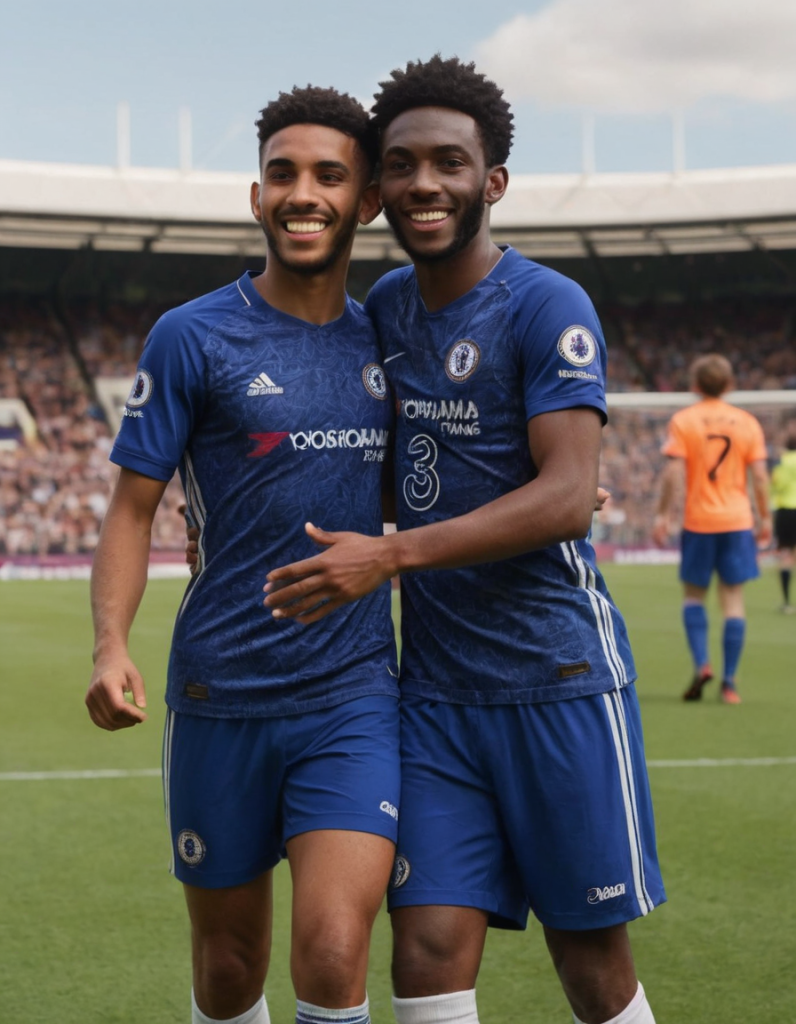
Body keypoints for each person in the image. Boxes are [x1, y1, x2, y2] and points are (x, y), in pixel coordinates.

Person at [263, 56, 664, 1024]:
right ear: (377, 188)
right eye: (399, 164)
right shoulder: (385, 313)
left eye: (448, 162)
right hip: (436, 692)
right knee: (430, 946)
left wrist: (389, 554)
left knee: (588, 954)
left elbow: (567, 497)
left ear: (492, 182)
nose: (422, 184)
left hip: (556, 677)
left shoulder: (545, 304)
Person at [86, 87, 402, 1024]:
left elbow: (443, 463)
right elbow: (132, 508)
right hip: (221, 689)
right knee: (228, 968)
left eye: (329, 176)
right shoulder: (193, 335)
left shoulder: (393, 334)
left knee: (337, 951)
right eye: (283, 174)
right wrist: (110, 645)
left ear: (367, 200)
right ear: (257, 196)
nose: (303, 193)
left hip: (352, 691)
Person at [652, 354, 772, 703]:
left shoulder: (684, 420)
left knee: (693, 597)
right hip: (737, 522)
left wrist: (663, 515)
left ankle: (703, 664)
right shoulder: (747, 422)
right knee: (733, 601)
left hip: (699, 522)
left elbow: (673, 472)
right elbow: (761, 477)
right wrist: (764, 519)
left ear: (694, 385)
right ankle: (730, 682)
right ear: (730, 385)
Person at [771, 432, 796, 613]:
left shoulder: (783, 461)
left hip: (787, 510)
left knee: (786, 555)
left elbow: (776, 485)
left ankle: (787, 602)